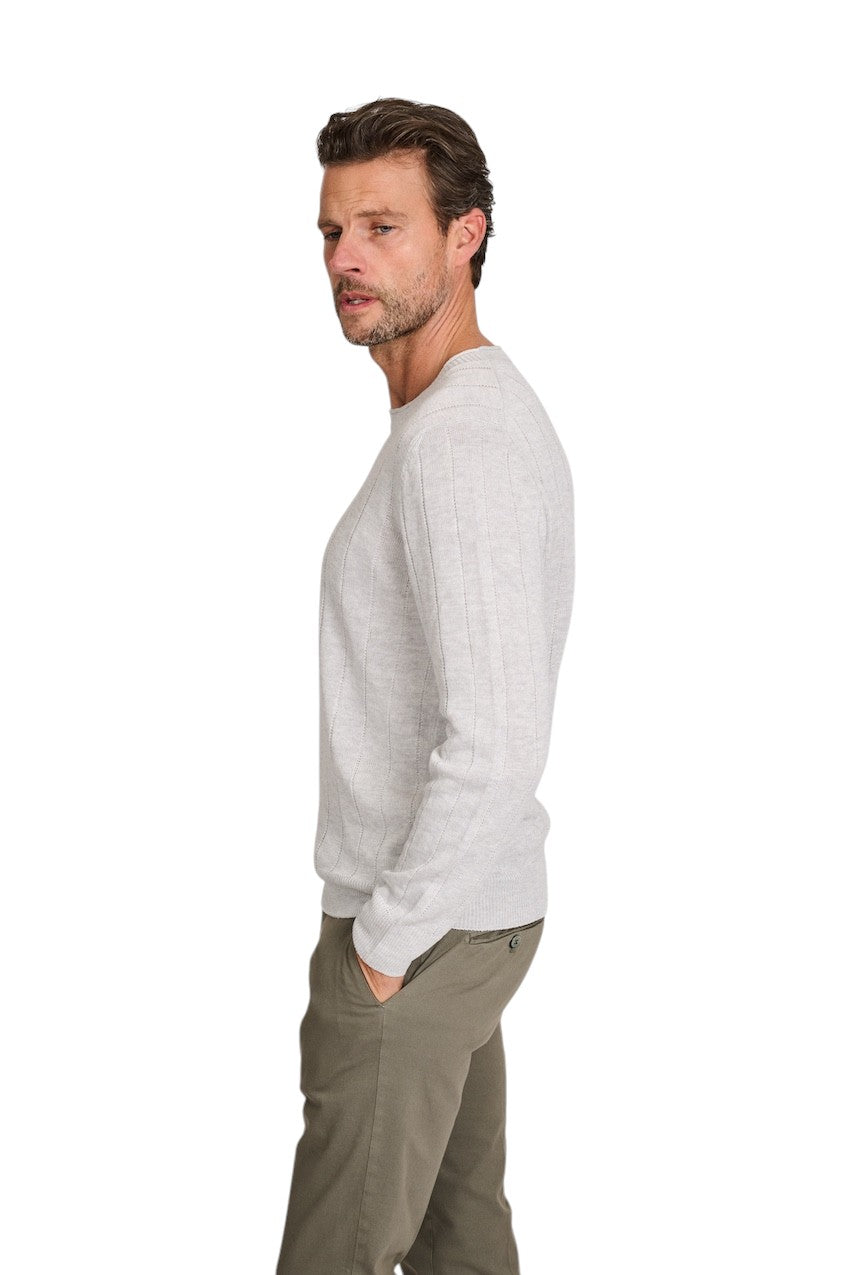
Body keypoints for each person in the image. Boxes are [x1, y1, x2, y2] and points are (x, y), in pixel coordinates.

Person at [275, 97, 575, 1275]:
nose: (346, 258)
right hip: (455, 915)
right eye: (332, 230)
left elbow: (495, 738)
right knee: (461, 1241)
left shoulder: (462, 443)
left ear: (465, 235)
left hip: (421, 929)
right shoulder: (445, 423)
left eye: (382, 227)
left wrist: (381, 948)